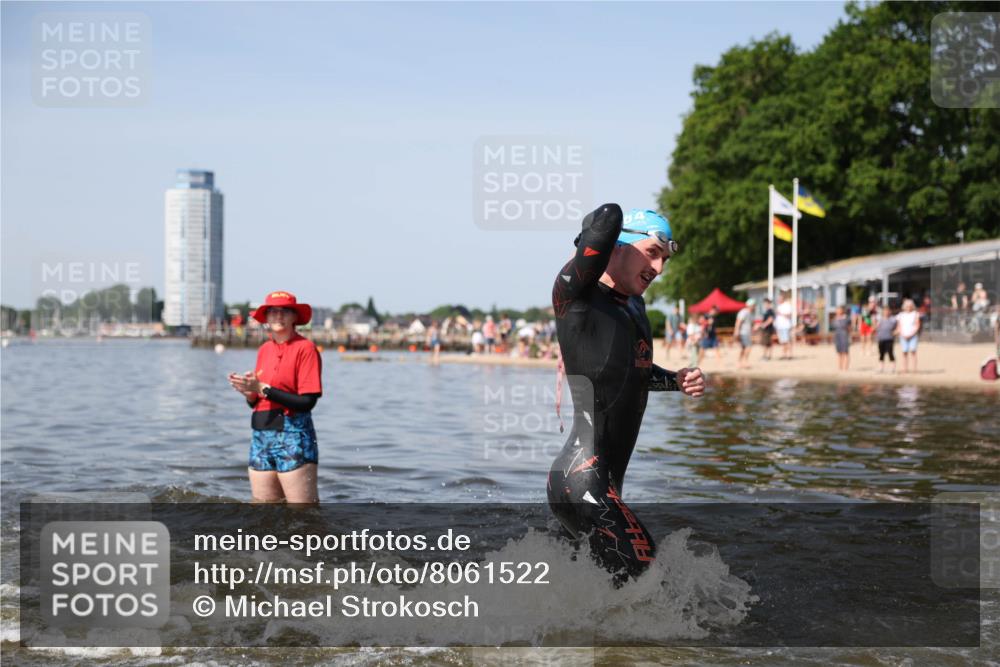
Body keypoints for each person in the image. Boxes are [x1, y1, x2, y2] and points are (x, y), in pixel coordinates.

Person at [548, 205, 705, 584]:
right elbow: (607, 217)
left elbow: (629, 371)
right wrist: (597, 238)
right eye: (652, 253)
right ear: (617, 246)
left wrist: (675, 380)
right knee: (651, 585)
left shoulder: (635, 305)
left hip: (605, 485)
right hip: (581, 480)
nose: (659, 268)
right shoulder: (577, 295)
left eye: (665, 259)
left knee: (602, 593)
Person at [228, 291, 322, 504]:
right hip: (260, 435)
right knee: (263, 510)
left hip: (293, 435)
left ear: (294, 317)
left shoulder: (305, 348)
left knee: (303, 511)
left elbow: (308, 402)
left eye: (285, 311)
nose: (278, 316)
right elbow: (257, 400)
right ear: (266, 317)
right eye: (273, 311)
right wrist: (250, 393)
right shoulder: (264, 349)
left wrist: (264, 388)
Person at [897, 298, 921, 373]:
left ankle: (914, 369)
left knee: (913, 352)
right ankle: (905, 369)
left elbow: (917, 325)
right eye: (907, 306)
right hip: (903, 336)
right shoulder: (901, 315)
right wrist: (902, 333)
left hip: (912, 336)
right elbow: (899, 326)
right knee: (904, 352)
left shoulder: (915, 314)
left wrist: (912, 334)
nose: (908, 307)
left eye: (910, 305)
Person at [875, 304, 897, 374]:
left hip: (889, 338)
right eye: (885, 311)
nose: (886, 312)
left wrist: (895, 332)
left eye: (887, 310)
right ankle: (881, 368)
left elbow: (897, 327)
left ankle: (893, 368)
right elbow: (875, 327)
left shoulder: (893, 319)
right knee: (881, 353)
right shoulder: (880, 319)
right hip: (881, 338)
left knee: (890, 353)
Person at [734, 298, 755, 369]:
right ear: (749, 305)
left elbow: (751, 324)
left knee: (743, 348)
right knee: (748, 347)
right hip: (743, 332)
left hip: (747, 333)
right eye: (753, 305)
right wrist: (736, 331)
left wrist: (753, 328)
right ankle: (745, 362)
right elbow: (738, 321)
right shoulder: (744, 312)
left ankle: (739, 362)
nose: (754, 307)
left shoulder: (751, 313)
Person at [774, 292, 793, 359]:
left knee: (787, 341)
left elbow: (789, 315)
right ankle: (784, 355)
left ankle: (789, 355)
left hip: (785, 326)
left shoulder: (787, 305)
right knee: (783, 341)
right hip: (780, 326)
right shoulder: (779, 306)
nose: (778, 300)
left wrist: (780, 313)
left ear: (783, 298)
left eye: (779, 298)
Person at [832, 305, 851, 371]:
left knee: (845, 352)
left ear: (842, 310)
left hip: (844, 336)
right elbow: (834, 327)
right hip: (837, 336)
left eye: (839, 309)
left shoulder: (846, 318)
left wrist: (849, 336)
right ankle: (840, 367)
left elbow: (849, 328)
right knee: (839, 352)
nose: (837, 311)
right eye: (837, 310)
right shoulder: (835, 318)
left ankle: (846, 367)